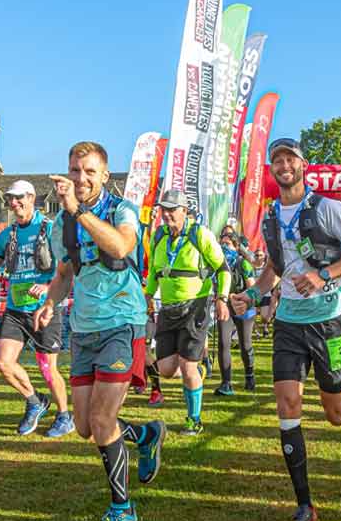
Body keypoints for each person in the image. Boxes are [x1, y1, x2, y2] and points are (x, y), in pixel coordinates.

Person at [228, 137, 341, 521]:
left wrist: (324, 274)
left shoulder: (328, 208)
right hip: (290, 323)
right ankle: (305, 504)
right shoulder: (271, 216)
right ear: (272, 169)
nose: (283, 165)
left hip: (331, 321)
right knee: (287, 407)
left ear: (302, 165)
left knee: (333, 412)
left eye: (289, 158)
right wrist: (252, 295)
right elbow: (275, 269)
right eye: (276, 160)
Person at [35, 141, 164, 521]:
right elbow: (64, 273)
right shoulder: (62, 223)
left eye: (90, 171)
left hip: (122, 322)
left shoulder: (121, 209)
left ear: (105, 175)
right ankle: (145, 435)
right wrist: (50, 303)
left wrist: (80, 211)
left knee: (104, 420)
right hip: (83, 327)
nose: (81, 178)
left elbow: (121, 246)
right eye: (75, 170)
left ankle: (122, 508)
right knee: (84, 427)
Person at [0, 179, 73, 438]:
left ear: (32, 198)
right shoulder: (6, 234)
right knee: (3, 362)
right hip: (15, 308)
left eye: (19, 197)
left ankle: (65, 416)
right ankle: (35, 402)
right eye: (11, 198)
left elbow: (67, 270)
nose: (14, 202)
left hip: (45, 308)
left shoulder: (50, 228)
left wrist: (47, 288)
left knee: (47, 369)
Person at [144, 189, 229, 435]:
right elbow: (154, 271)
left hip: (196, 307)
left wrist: (222, 298)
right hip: (168, 310)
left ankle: (194, 420)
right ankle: (201, 370)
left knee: (187, 368)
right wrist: (148, 295)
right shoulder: (158, 235)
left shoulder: (199, 233)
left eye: (172, 209)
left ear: (185, 211)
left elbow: (222, 268)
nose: (167, 214)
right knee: (168, 369)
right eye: (164, 209)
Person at [216, 232, 257, 395]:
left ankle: (249, 376)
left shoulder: (243, 264)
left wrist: (240, 299)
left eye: (228, 244)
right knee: (223, 343)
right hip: (226, 306)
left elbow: (253, 289)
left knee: (245, 344)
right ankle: (226, 383)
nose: (224, 247)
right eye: (222, 244)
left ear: (236, 247)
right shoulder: (218, 265)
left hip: (243, 306)